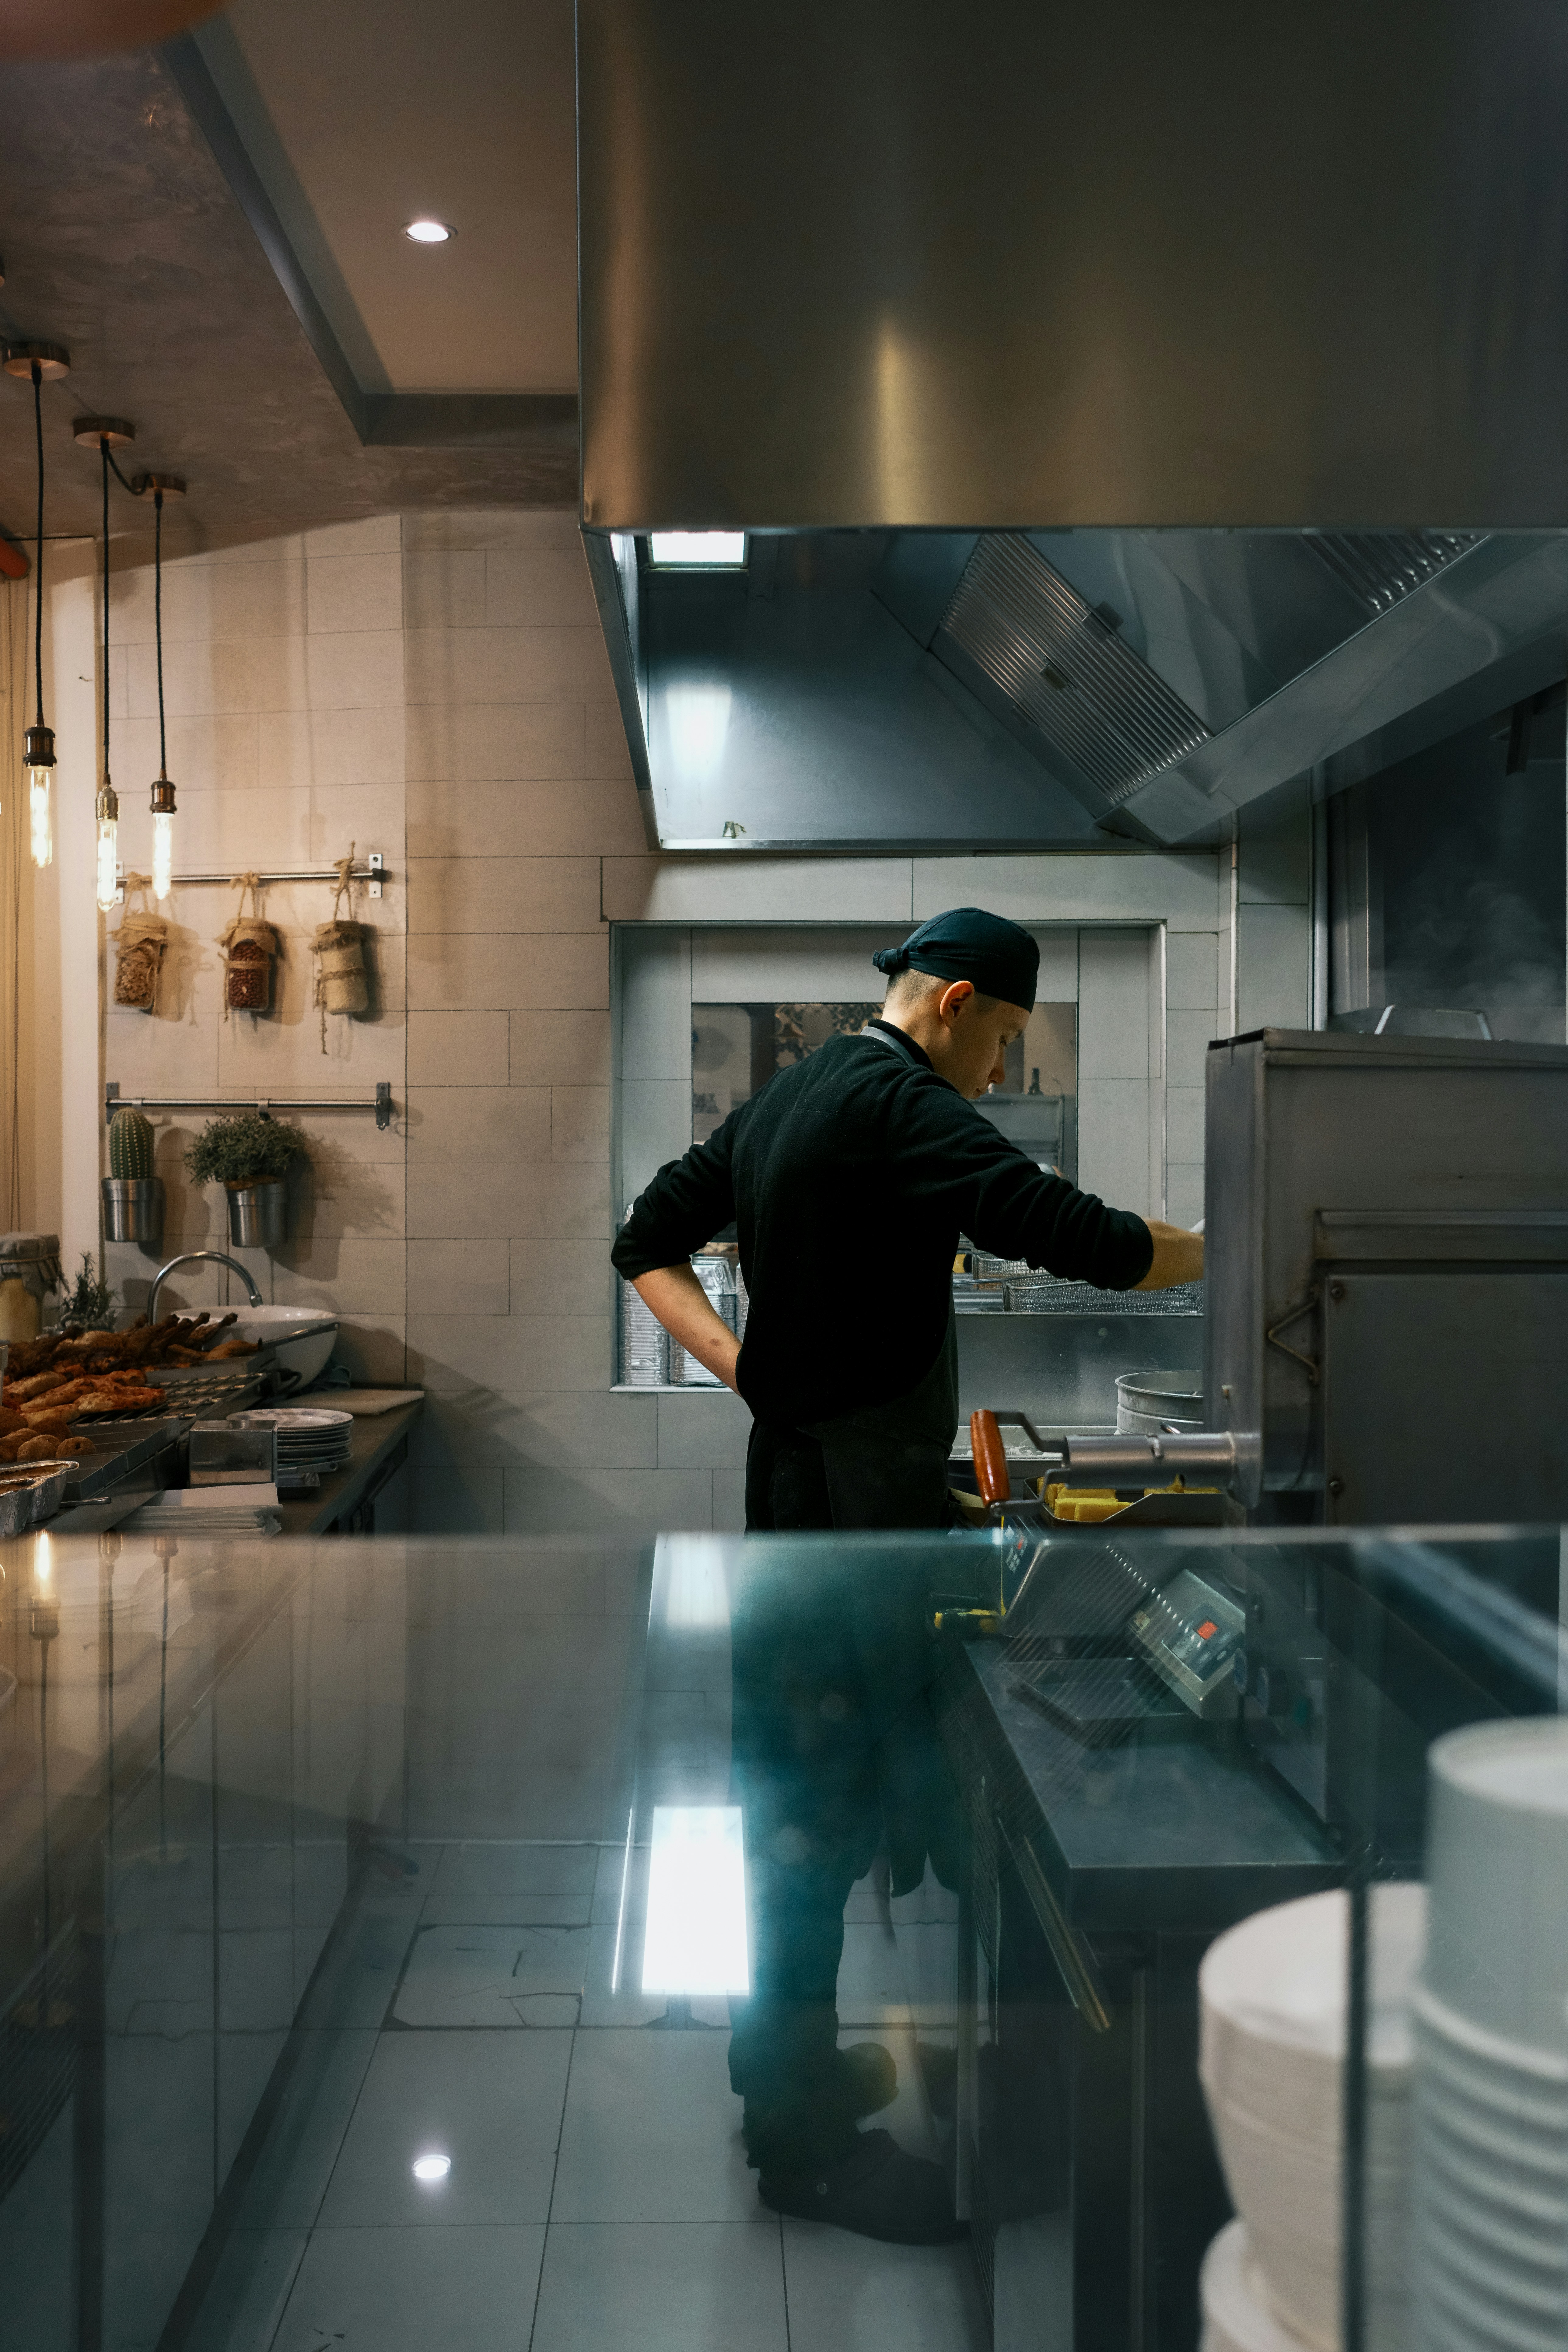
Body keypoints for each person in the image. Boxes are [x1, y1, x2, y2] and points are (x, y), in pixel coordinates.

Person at [613, 906, 1204, 1532]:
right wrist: (1223, 1249)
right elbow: (1099, 1244)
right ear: (955, 1003)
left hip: (782, 1478)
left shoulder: (787, 1092)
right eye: (1004, 1038)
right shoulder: (909, 1106)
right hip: (863, 1503)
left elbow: (644, 1244)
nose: (1000, 1070)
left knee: (785, 1630)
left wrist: (749, 1375)